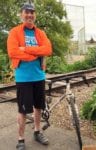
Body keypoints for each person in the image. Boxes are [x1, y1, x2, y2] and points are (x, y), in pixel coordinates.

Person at [7, 3, 52, 150]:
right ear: (21, 14)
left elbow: (48, 49)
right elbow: (13, 52)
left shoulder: (40, 33)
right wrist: (36, 53)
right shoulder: (14, 32)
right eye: (27, 12)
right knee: (23, 110)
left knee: (38, 107)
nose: (30, 15)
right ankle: (21, 139)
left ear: (35, 15)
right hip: (23, 78)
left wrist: (26, 49)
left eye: (32, 12)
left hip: (39, 76)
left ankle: (37, 132)